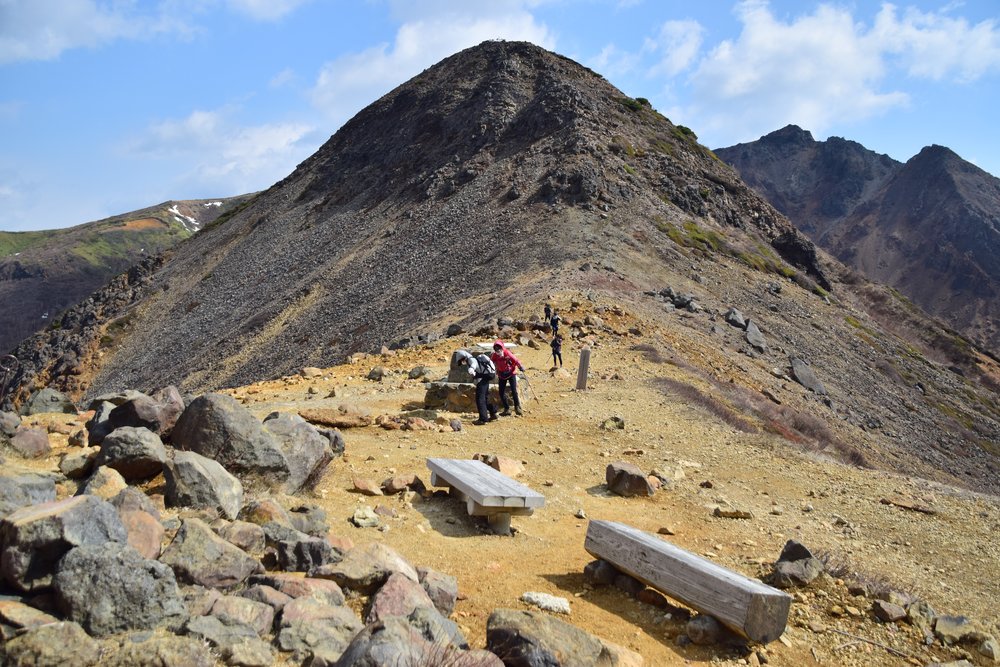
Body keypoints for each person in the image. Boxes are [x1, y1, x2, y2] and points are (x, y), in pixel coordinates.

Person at [455, 349, 497, 425]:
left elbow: (474, 364)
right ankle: (493, 413)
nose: (462, 362)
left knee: (480, 399)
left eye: (461, 360)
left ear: (463, 357)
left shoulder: (471, 359)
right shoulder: (470, 360)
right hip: (485, 379)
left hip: (482, 381)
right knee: (485, 399)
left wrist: (472, 368)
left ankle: (483, 419)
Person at [490, 339, 525, 416]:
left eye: (499, 348)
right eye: (496, 349)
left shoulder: (507, 353)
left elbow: (515, 360)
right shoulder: (494, 355)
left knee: (514, 390)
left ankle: (517, 407)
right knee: (501, 392)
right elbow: (491, 362)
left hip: (511, 373)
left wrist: (520, 366)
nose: (498, 350)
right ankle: (507, 409)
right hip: (501, 374)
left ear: (502, 347)